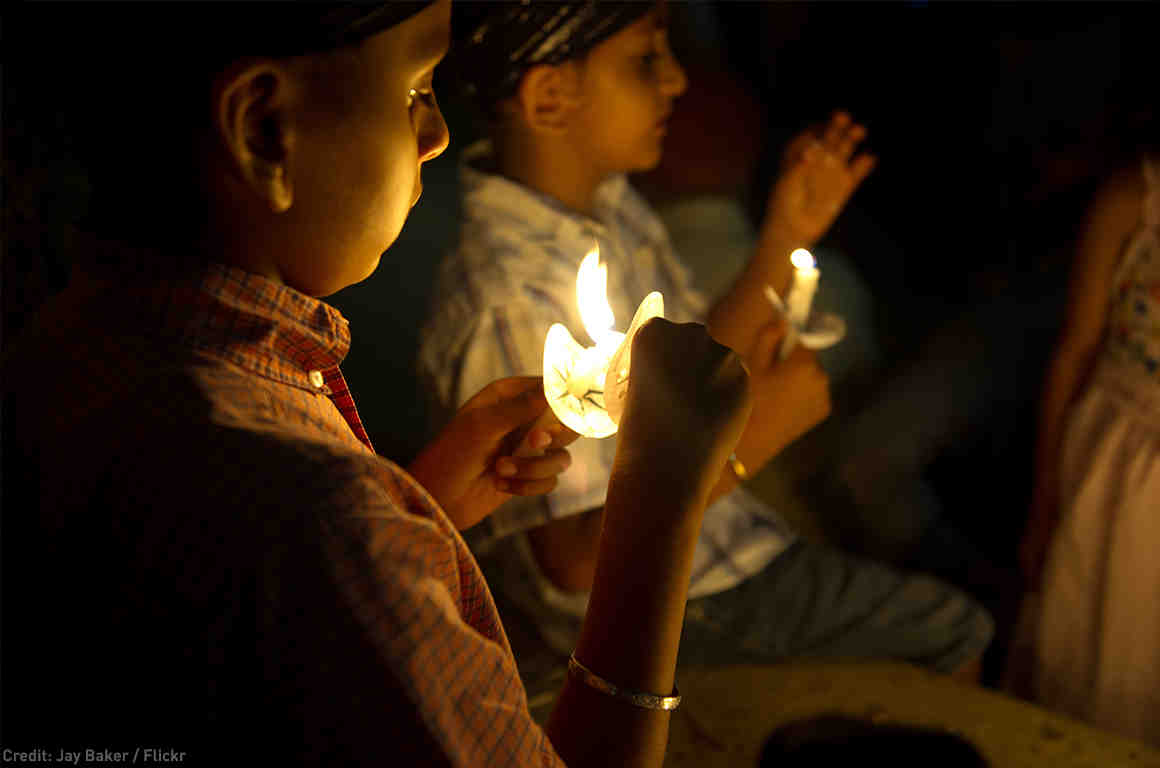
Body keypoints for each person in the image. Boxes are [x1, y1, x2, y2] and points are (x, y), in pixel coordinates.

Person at [0, 3, 753, 766]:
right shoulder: (319, 519)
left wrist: (418, 515)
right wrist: (659, 498)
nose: (439, 135)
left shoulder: (70, 336)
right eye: (414, 90)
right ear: (264, 130)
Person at [419, 0, 993, 690]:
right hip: (657, 605)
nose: (678, 83)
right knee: (957, 630)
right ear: (549, 96)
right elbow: (574, 567)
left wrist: (784, 239)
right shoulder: (513, 296)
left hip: (712, 545)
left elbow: (685, 363)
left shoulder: (603, 205)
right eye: (646, 60)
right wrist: (747, 448)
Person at [1017, 156, 1160, 745]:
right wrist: (1044, 500)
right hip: (1118, 476)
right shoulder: (1136, 200)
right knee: (1094, 661)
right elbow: (1075, 350)